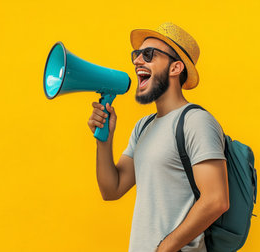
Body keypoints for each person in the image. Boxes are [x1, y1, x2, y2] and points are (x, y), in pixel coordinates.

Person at [87, 22, 229, 252]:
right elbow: (111, 190)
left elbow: (216, 200)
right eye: (136, 54)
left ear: (175, 68)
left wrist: (164, 248)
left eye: (148, 54)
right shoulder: (143, 127)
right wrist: (104, 140)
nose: (136, 61)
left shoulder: (196, 121)